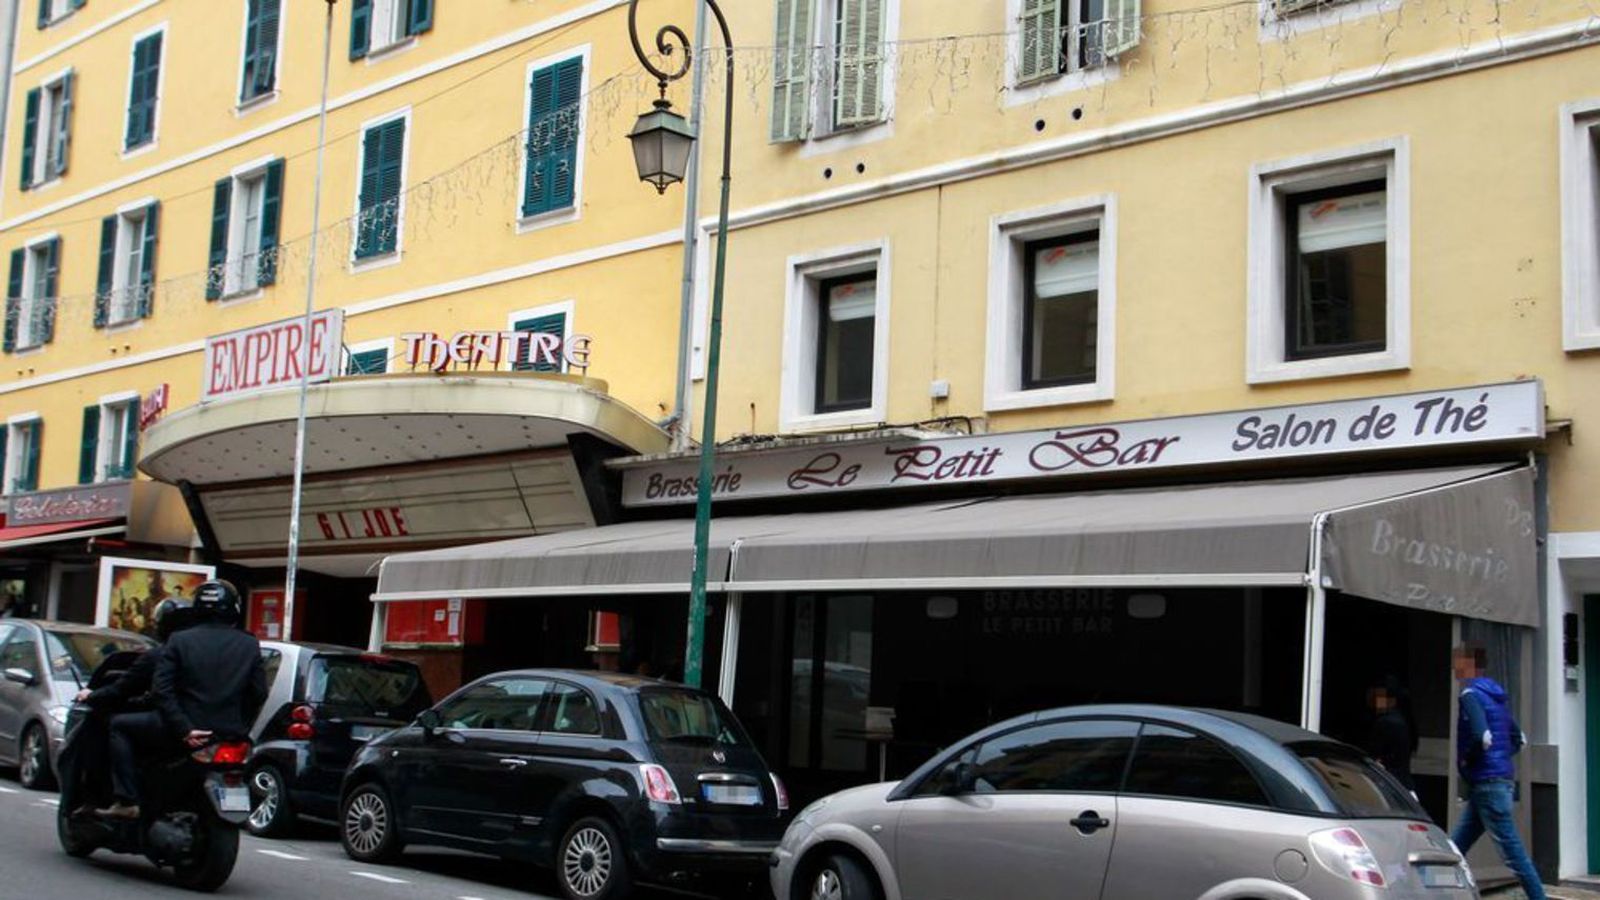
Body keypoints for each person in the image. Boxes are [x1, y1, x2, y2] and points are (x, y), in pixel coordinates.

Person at [99, 580, 266, 820]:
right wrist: (239, 726)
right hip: (228, 734)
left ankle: (127, 799)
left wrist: (184, 728)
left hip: (180, 732)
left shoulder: (180, 640)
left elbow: (162, 690)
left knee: (118, 725)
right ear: (234, 608)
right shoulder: (249, 644)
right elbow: (258, 693)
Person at [1450, 644, 1546, 900]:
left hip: (1486, 784)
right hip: (1498, 782)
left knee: (1514, 854)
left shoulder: (1470, 694)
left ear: (1470, 664)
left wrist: (1467, 762)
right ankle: (1433, 891)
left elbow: (1482, 736)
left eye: (1458, 661)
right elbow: (1519, 739)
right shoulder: (1495, 696)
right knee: (1455, 846)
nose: (1454, 667)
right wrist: (1500, 760)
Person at [1366, 675, 1418, 793]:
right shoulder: (1404, 721)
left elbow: (1374, 757)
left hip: (1390, 787)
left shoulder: (1386, 723)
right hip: (1404, 785)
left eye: (1376, 697)